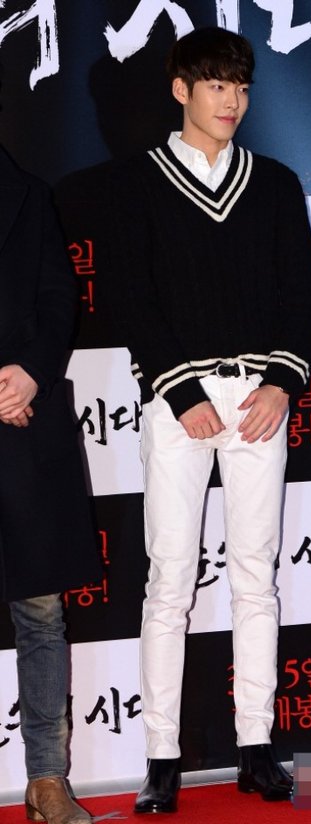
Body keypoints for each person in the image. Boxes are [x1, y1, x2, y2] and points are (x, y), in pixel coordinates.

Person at [109, 26, 311, 814]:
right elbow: (132, 296)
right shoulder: (139, 181)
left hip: (258, 401)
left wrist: (280, 383)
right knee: (169, 580)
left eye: (240, 86)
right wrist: (182, 394)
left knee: (255, 576)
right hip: (179, 406)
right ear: (181, 89)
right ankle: (161, 758)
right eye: (216, 85)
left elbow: (303, 295)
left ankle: (256, 749)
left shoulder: (275, 182)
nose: (231, 100)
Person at [0, 142, 101, 823]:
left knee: (40, 613)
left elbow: (59, 296)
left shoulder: (28, 193)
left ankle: (46, 779)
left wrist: (31, 373)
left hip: (24, 423)